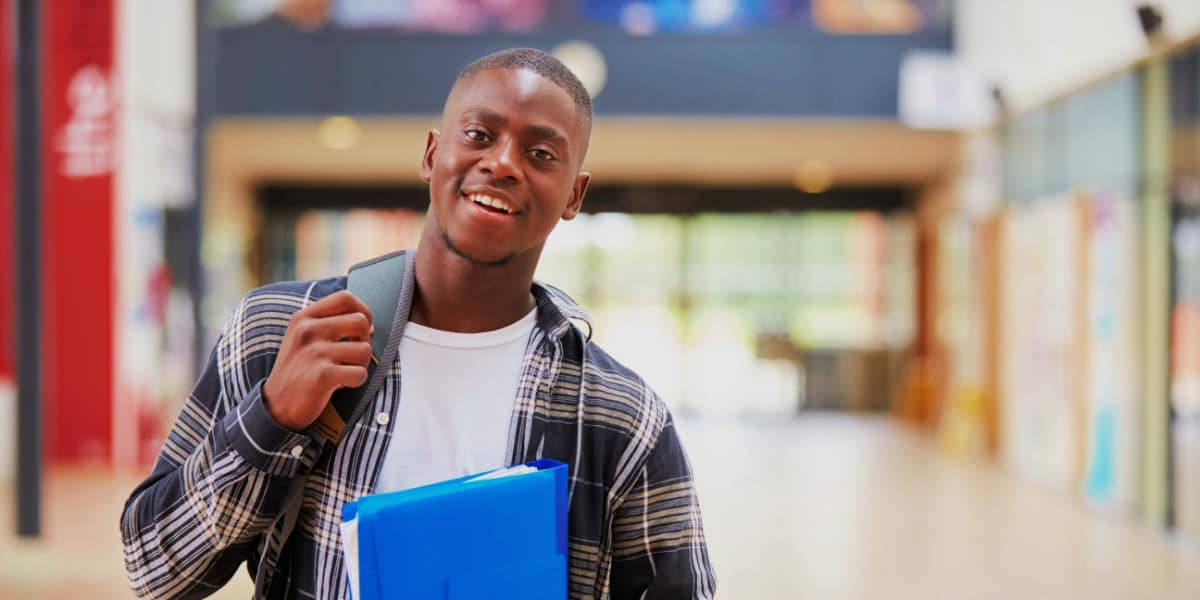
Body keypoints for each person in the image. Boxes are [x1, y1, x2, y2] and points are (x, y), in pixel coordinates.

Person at [121, 48, 715, 599]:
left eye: (541, 154)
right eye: (479, 135)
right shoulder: (279, 330)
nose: (503, 163)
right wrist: (271, 416)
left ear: (573, 195)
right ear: (433, 155)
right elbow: (156, 571)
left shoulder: (621, 416)